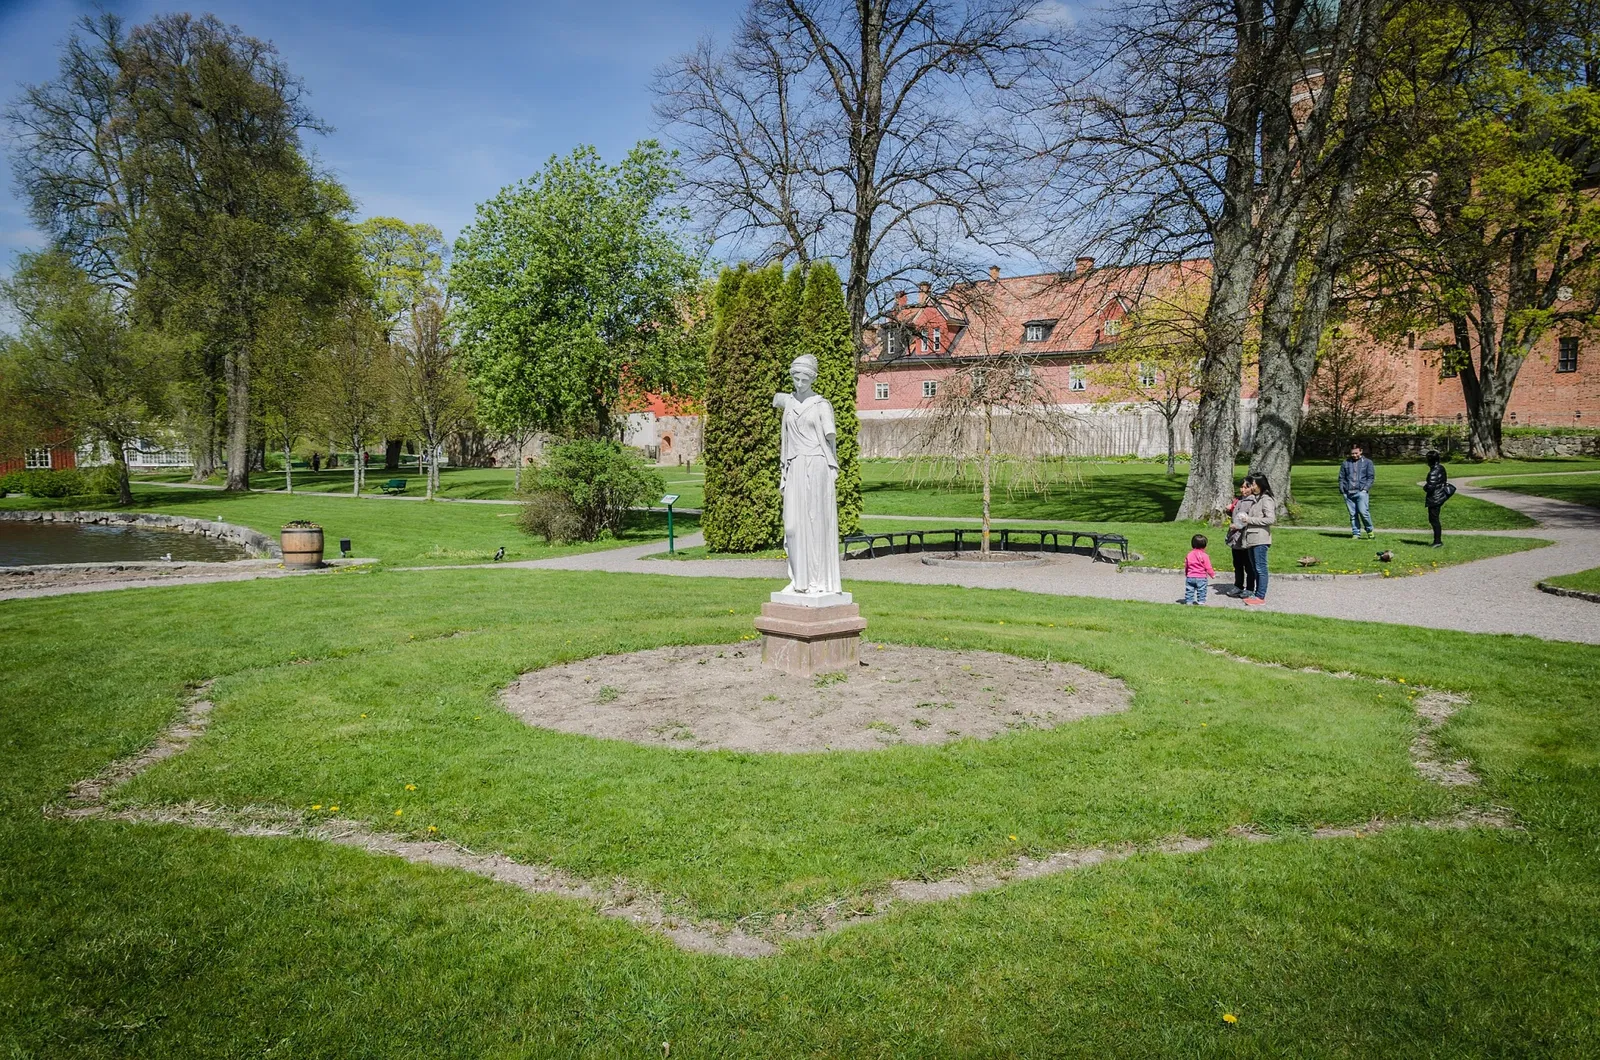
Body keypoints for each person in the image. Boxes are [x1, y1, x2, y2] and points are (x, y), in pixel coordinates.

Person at [772, 354, 842, 595]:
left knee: (816, 523)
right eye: (795, 378)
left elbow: (830, 439)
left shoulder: (821, 405)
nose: (799, 383)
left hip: (817, 465)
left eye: (804, 379)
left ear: (812, 378)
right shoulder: (787, 401)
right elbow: (776, 399)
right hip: (794, 465)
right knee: (792, 525)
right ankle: (798, 579)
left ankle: (818, 581)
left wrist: (831, 469)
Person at [1230, 473, 1277, 606]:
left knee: (1261, 568)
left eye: (1254, 484)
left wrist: (1249, 519)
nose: (1252, 487)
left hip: (1260, 538)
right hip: (1251, 538)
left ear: (1260, 484)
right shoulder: (1257, 499)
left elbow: (1270, 519)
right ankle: (1256, 594)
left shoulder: (1266, 499)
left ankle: (1260, 596)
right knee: (1256, 568)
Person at [1223, 481, 1257, 598]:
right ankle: (1238, 585)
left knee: (1248, 565)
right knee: (1237, 564)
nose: (1242, 489)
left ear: (1251, 488)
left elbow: (1248, 518)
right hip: (1235, 538)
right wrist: (1230, 510)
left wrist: (1237, 525)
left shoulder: (1253, 502)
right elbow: (1236, 514)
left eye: (1245, 487)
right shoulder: (1239, 500)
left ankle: (1250, 588)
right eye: (1241, 487)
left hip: (1245, 537)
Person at [1338, 443, 1376, 539]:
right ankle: (1356, 533)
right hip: (1348, 493)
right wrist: (1342, 489)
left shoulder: (1368, 462)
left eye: (1356, 453)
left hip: (1361, 492)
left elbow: (1370, 477)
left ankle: (1370, 531)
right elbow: (1341, 477)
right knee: (1353, 515)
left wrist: (1365, 489)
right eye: (1352, 453)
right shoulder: (1345, 463)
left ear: (1361, 451)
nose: (1354, 455)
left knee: (1364, 513)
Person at [1423, 450, 1453, 548]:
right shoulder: (1441, 468)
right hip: (1439, 496)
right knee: (1434, 519)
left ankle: (1437, 541)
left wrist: (1425, 487)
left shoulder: (1433, 471)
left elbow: (1430, 486)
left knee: (1434, 520)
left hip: (1435, 498)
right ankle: (1437, 540)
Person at [1184, 533, 1216, 605]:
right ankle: (1201, 602)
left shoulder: (1189, 554)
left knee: (1189, 590)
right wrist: (1212, 575)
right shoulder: (1205, 556)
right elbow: (1208, 567)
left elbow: (1187, 565)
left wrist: (1186, 573)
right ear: (1204, 545)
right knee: (1201, 590)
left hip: (1190, 576)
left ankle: (1189, 601)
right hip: (1201, 577)